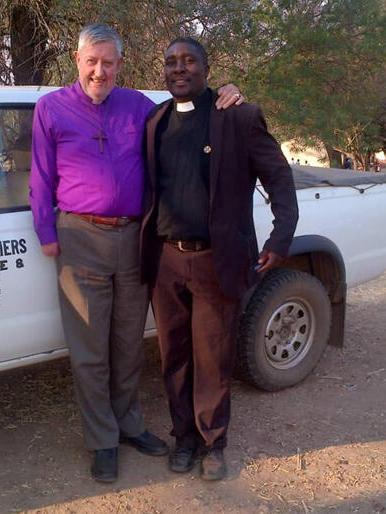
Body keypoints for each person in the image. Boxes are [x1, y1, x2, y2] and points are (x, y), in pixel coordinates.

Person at [29, 24, 243, 483]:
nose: (99, 71)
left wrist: (230, 93)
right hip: (78, 238)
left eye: (108, 63)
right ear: (78, 60)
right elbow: (40, 177)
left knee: (128, 345)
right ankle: (102, 438)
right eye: (92, 62)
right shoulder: (50, 108)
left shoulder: (142, 108)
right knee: (90, 350)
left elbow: (190, 116)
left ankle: (129, 425)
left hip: (133, 238)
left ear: (119, 64)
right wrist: (46, 232)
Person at [139, 37, 299, 481]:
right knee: (174, 357)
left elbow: (280, 179)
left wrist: (280, 238)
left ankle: (214, 443)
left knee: (213, 359)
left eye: (188, 61)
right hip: (166, 261)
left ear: (207, 69)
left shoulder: (238, 117)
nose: (179, 69)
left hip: (215, 261)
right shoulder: (156, 121)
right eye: (171, 62)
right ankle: (184, 438)